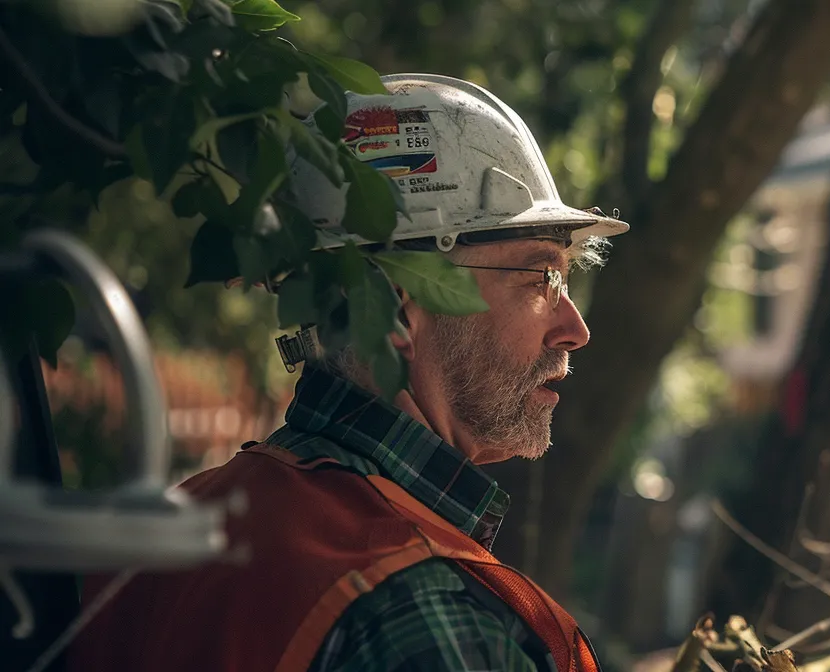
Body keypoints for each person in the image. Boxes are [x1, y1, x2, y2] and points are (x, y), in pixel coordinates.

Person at [70, 74, 627, 672]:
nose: (575, 327)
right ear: (392, 306)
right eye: (540, 277)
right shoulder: (428, 620)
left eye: (565, 279)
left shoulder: (171, 537)